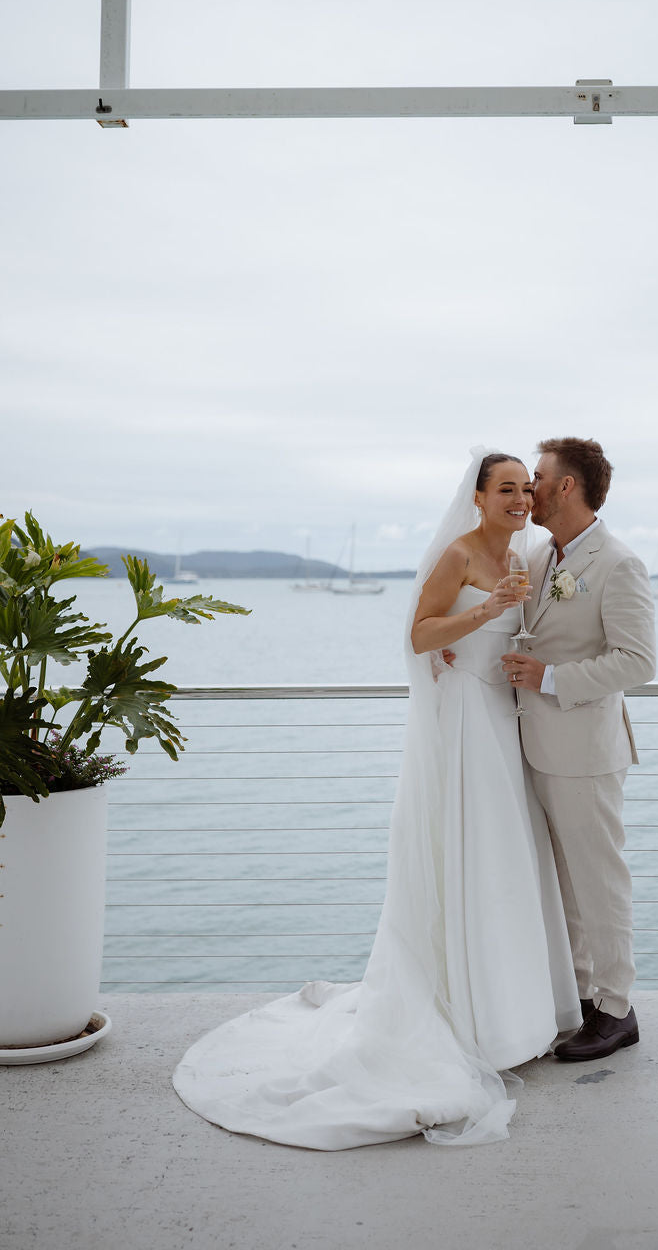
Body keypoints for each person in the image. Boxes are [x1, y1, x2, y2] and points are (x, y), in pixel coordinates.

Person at [172, 449, 579, 1150]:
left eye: (524, 488)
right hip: (463, 725)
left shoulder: (522, 555)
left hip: (502, 722)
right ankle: (471, 1019)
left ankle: (515, 1014)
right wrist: (485, 611)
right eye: (505, 489)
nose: (518, 499)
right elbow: (418, 634)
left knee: (507, 860)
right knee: (469, 854)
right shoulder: (459, 554)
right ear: (478, 497)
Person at [501, 437, 656, 1062]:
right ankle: (582, 997)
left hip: (586, 750)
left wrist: (551, 678)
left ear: (567, 486)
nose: (529, 488)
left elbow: (638, 661)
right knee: (564, 885)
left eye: (538, 477)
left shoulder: (618, 563)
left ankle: (617, 1011)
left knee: (599, 882)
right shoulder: (539, 554)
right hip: (534, 743)